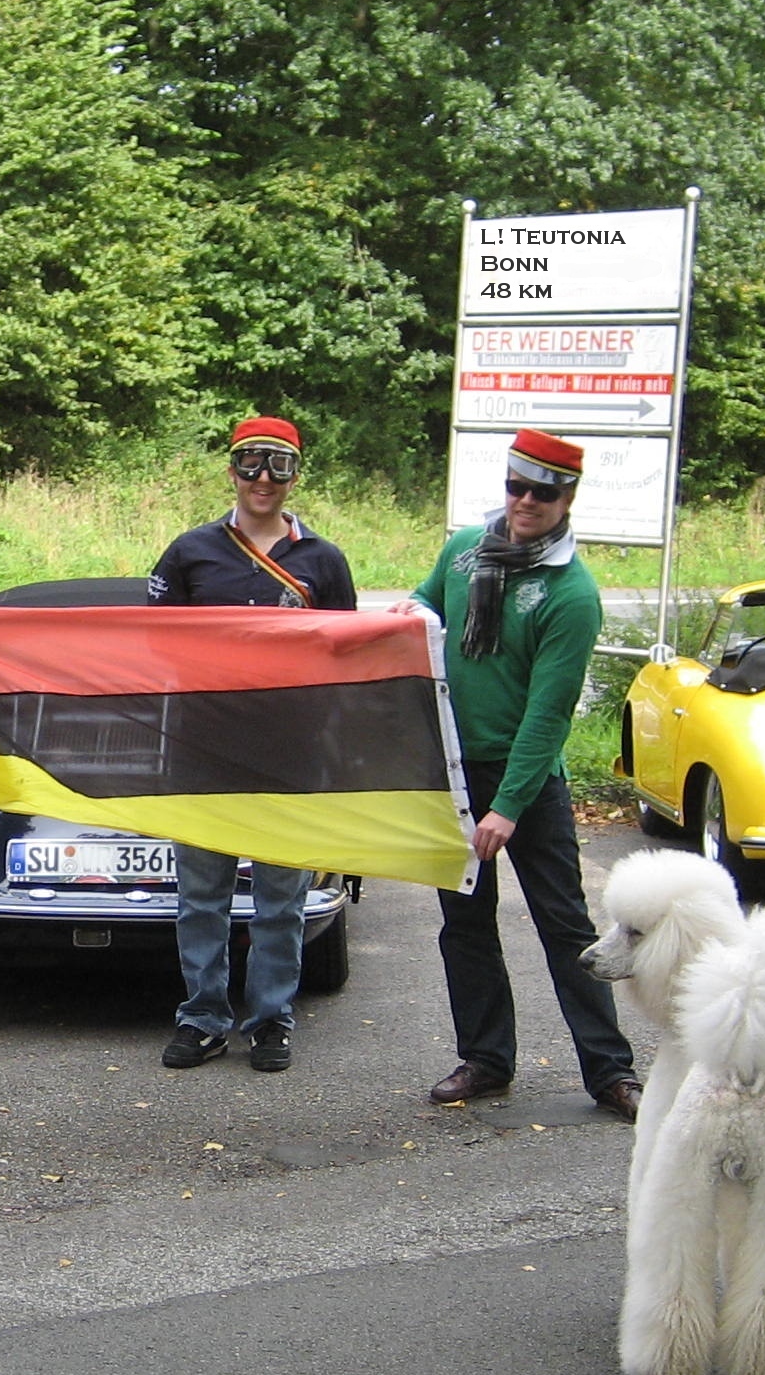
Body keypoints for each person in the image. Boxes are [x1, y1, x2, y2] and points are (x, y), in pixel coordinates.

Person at [393, 427, 642, 1121]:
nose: (527, 501)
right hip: (452, 764)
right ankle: (485, 1059)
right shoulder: (466, 550)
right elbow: (426, 606)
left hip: (526, 777)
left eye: (544, 491)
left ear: (567, 498)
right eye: (517, 486)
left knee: (564, 923)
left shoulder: (571, 593)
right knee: (464, 922)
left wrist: (506, 807)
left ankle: (610, 1071)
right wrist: (406, 614)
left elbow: (548, 713)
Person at [147, 415, 357, 1073]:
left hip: (288, 757)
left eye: (279, 466)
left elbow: (350, 655)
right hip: (204, 753)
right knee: (201, 897)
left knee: (280, 902)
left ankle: (271, 1020)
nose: (263, 479)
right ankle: (204, 1018)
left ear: (298, 475)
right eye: (250, 463)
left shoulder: (324, 561)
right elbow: (147, 644)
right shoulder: (189, 552)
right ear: (230, 469)